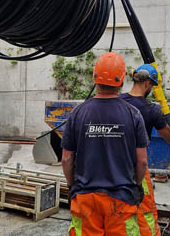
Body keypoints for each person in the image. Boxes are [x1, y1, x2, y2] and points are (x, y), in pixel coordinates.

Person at [61, 52, 150, 236]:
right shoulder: (133, 114)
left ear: (95, 77)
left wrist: (71, 186)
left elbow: (67, 158)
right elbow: (141, 162)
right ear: (122, 80)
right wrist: (138, 185)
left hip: (86, 200)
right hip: (121, 200)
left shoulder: (77, 113)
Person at [119, 64, 170, 236]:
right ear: (147, 83)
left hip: (115, 165)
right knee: (145, 209)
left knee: (119, 207)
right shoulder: (150, 110)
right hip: (137, 165)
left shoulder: (118, 102)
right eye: (153, 86)